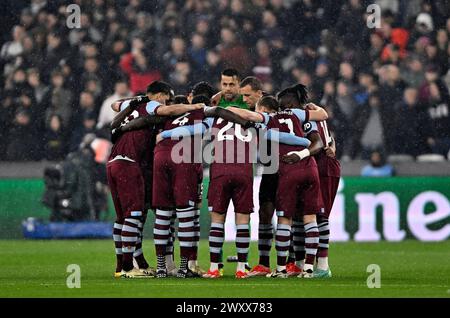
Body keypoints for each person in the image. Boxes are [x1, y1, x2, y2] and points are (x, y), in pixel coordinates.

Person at [107, 81, 202, 278]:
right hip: (131, 163)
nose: (167, 105)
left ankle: (125, 265)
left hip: (114, 161)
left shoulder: (132, 105)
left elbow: (114, 105)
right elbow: (168, 111)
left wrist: (132, 103)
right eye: (166, 99)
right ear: (160, 95)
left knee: (124, 218)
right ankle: (128, 267)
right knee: (140, 215)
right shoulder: (152, 106)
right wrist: (194, 106)